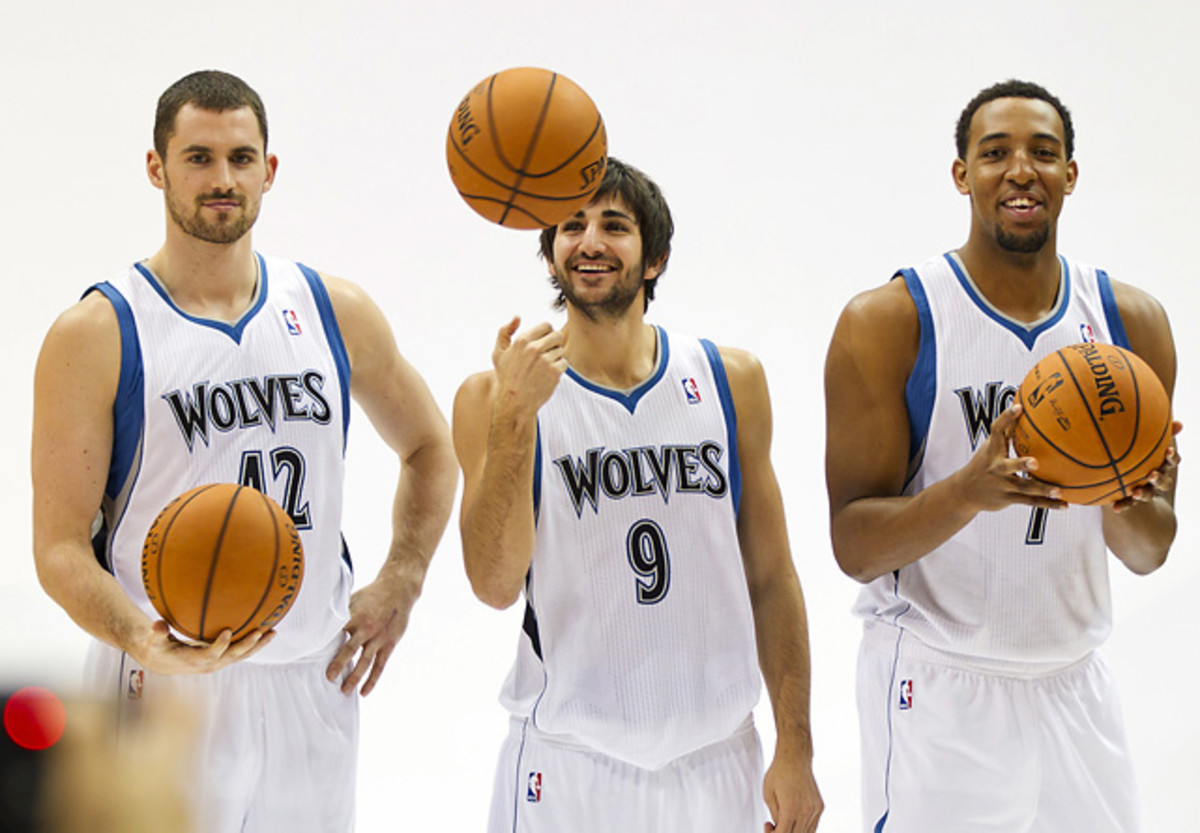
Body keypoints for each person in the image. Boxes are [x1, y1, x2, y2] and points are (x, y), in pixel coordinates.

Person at [31, 69, 458, 832]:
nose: (222, 178)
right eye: (198, 157)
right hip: (166, 682)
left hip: (311, 677)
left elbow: (431, 445)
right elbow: (58, 548)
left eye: (240, 157)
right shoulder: (97, 332)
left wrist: (404, 576)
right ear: (156, 168)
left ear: (269, 169)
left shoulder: (334, 310)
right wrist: (138, 638)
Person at [824, 79, 1180, 833]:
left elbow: (1147, 552)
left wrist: (1131, 496)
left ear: (1071, 175)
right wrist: (968, 492)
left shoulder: (1130, 323)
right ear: (962, 175)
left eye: (1043, 153)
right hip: (938, 688)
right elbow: (854, 546)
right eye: (995, 153)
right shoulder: (891, 321)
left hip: (1075, 685)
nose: (1021, 170)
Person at [453, 157, 823, 833]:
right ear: (551, 253)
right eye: (572, 226)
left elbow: (772, 576)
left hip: (718, 760)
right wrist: (515, 417)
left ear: (653, 259)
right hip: (569, 767)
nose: (590, 241)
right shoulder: (495, 394)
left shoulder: (727, 379)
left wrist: (795, 744)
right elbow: (493, 582)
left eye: (613, 225)